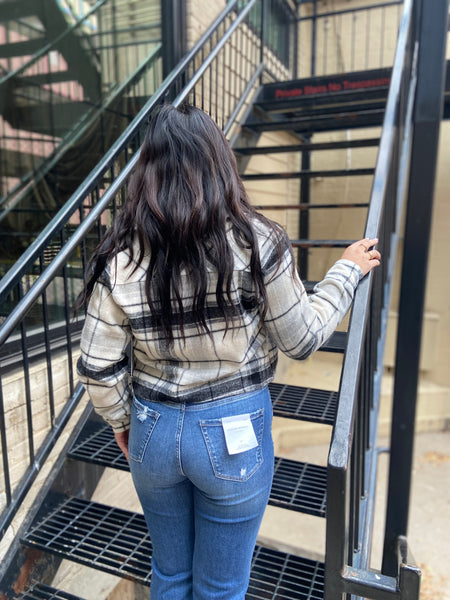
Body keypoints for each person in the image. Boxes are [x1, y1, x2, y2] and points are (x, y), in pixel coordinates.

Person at [76, 103, 381, 600]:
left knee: (170, 574)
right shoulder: (259, 242)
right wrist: (345, 272)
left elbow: (97, 365)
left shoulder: (122, 253)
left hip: (152, 427)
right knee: (221, 588)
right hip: (233, 432)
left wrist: (121, 422)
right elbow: (301, 338)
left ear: (146, 172)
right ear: (220, 163)